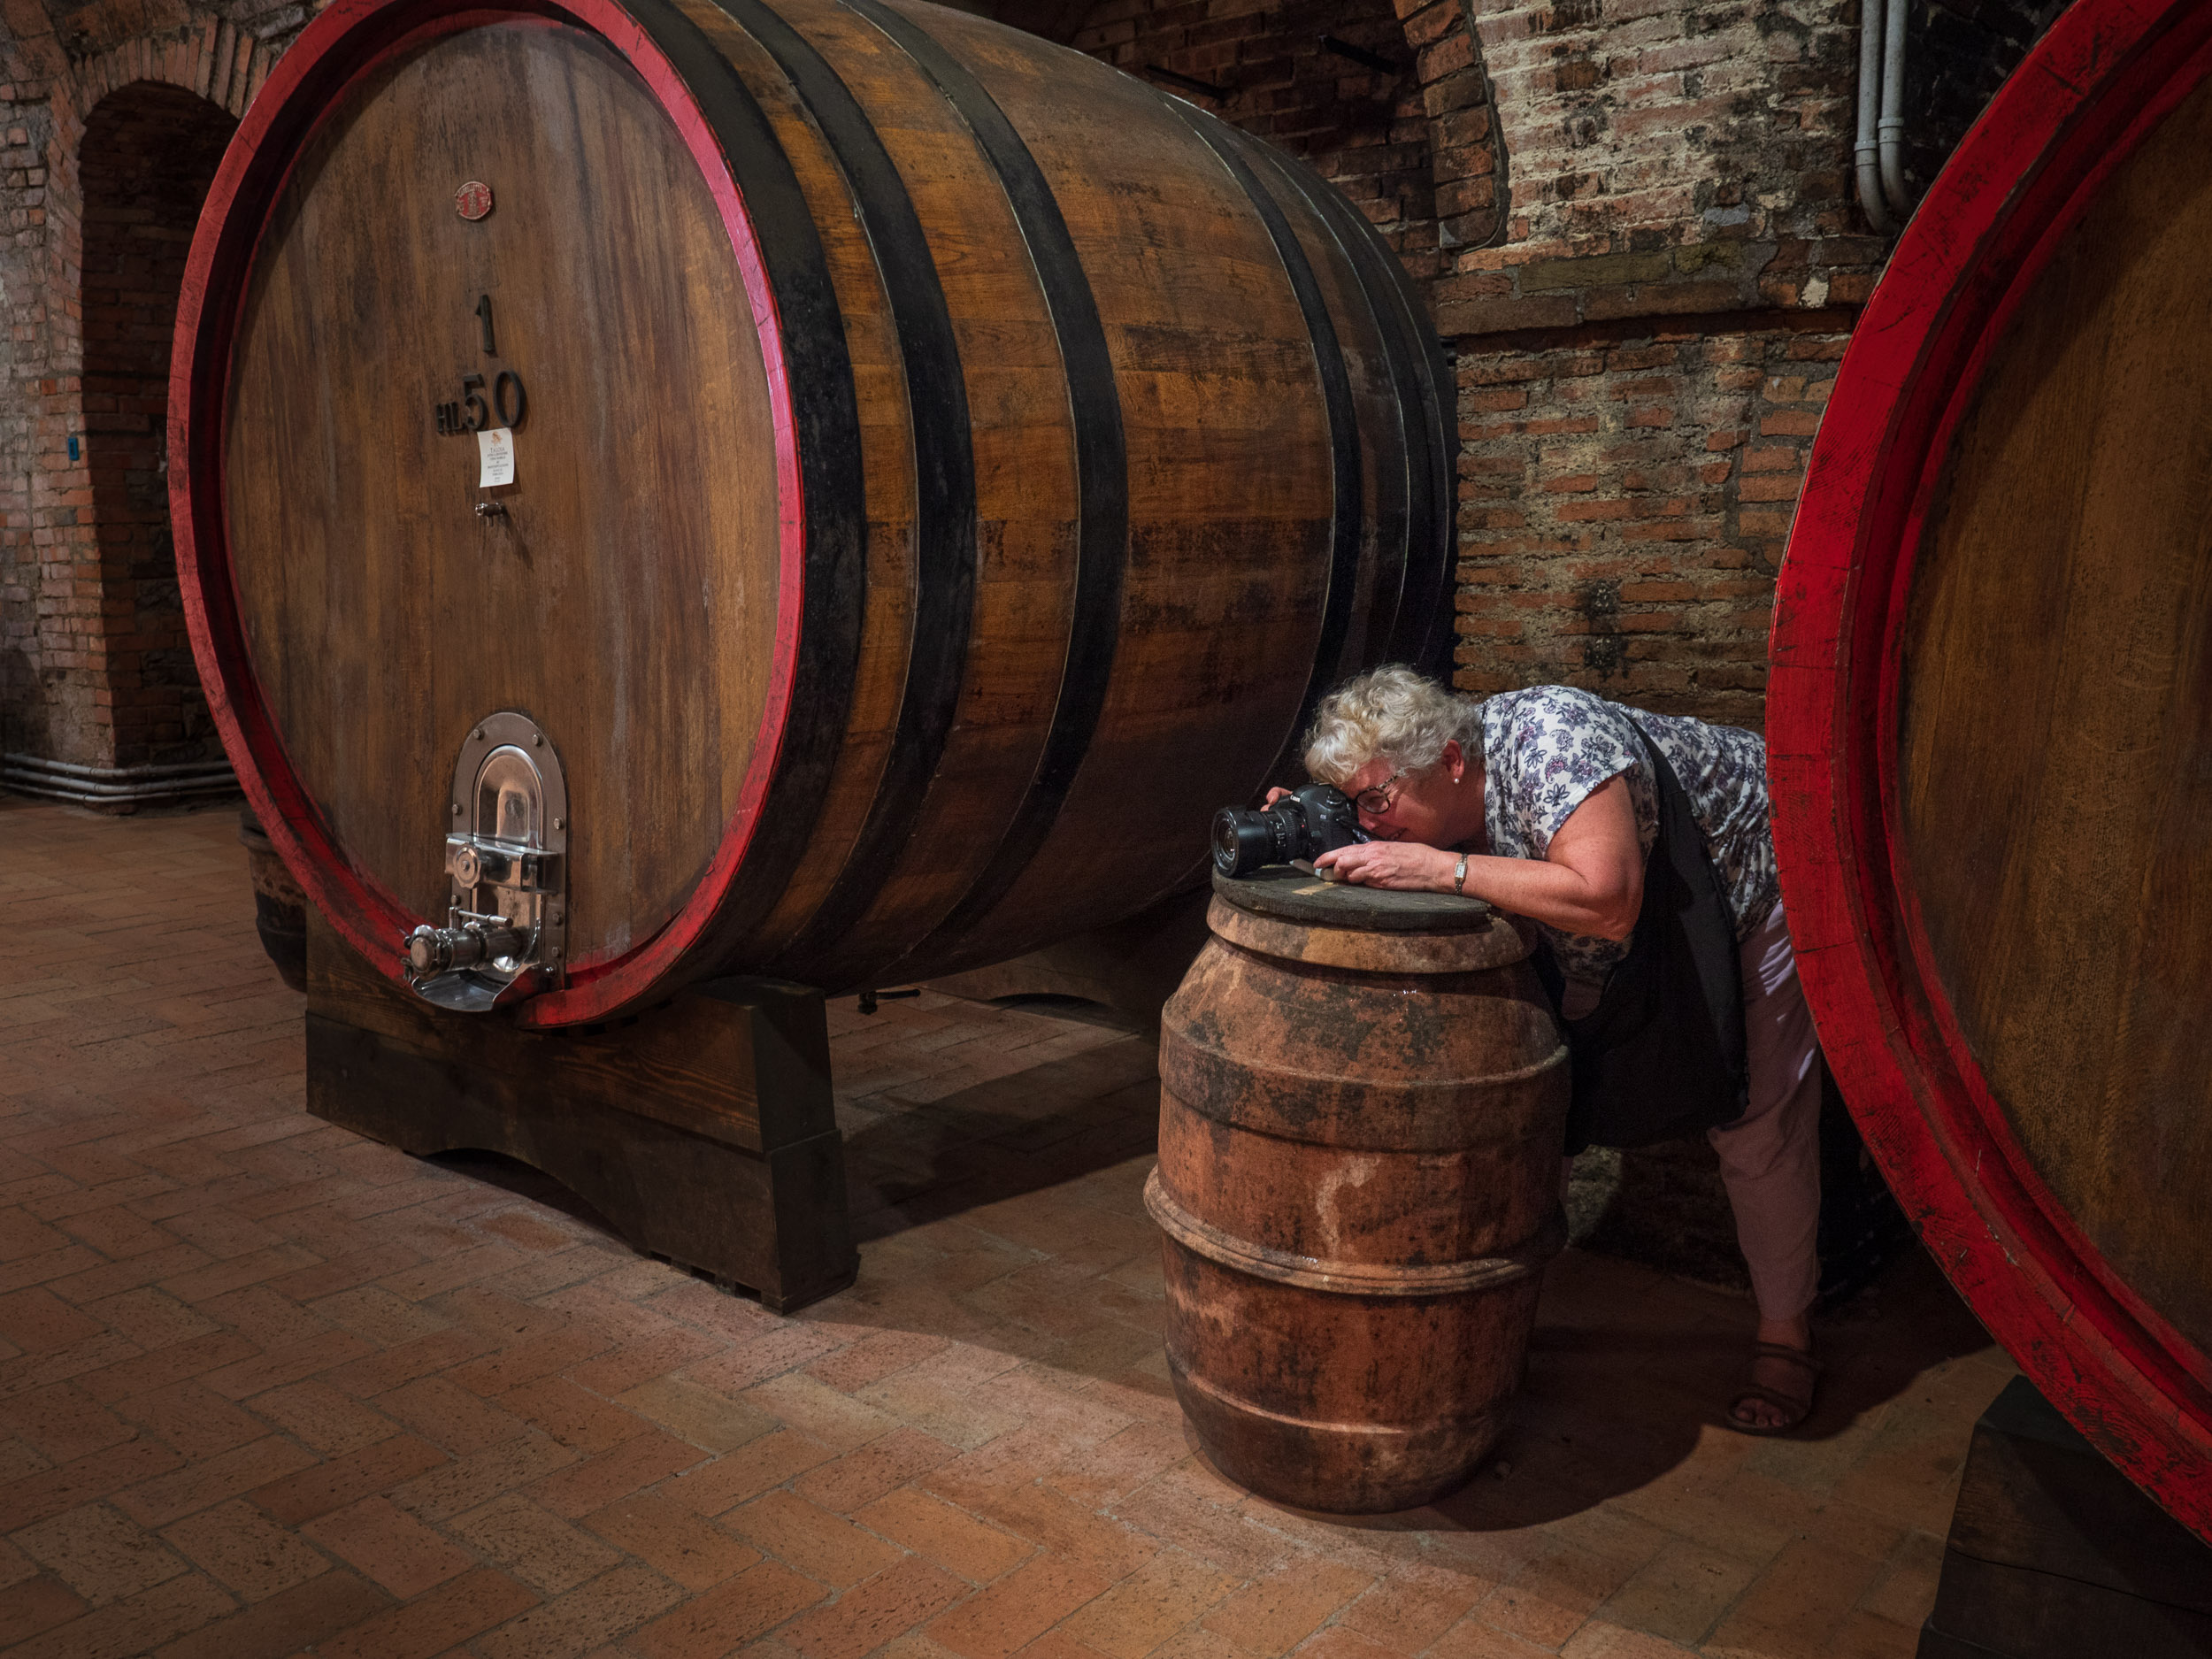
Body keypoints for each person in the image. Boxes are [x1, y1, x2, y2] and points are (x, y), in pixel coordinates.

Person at [1276, 665, 1823, 1434]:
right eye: (1349, 803)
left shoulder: (1554, 744)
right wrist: (1316, 830)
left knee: (1757, 1124)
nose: (1368, 821)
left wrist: (1442, 869)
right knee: (1539, 1102)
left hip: (1751, 880)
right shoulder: (1419, 799)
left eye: (1375, 800)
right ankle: (1495, 1306)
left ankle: (1784, 1336)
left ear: (1451, 762)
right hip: (1616, 932)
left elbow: (1608, 900)